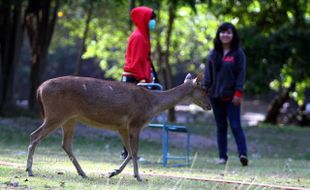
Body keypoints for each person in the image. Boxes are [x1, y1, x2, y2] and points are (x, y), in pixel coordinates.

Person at [204, 22, 248, 166]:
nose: (225, 35)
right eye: (222, 32)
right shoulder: (213, 54)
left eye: (228, 32)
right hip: (215, 97)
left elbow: (241, 74)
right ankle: (222, 157)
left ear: (233, 35)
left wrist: (238, 93)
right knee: (221, 127)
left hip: (232, 97)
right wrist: (205, 92)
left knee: (235, 126)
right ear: (218, 35)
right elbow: (207, 76)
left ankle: (243, 155)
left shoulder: (238, 53)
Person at [120, 6, 158, 159]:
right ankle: (128, 153)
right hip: (132, 79)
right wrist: (143, 79)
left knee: (133, 119)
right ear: (144, 19)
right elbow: (135, 63)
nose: (153, 22)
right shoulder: (138, 37)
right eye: (151, 19)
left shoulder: (143, 36)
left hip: (137, 78)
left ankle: (129, 153)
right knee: (132, 118)